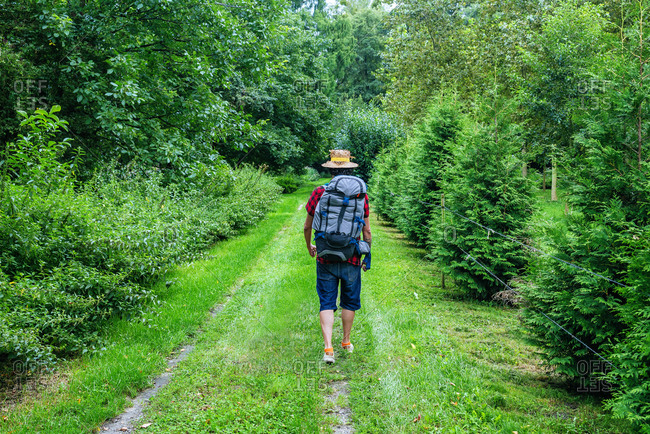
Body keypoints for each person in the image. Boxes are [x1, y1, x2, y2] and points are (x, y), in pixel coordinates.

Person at [303, 149, 371, 364]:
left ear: (330, 169)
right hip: (351, 256)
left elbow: (307, 226)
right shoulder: (361, 195)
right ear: (350, 169)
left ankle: (328, 348)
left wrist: (309, 246)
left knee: (327, 302)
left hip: (325, 256)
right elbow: (367, 231)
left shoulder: (319, 192)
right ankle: (346, 341)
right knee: (349, 301)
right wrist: (366, 255)